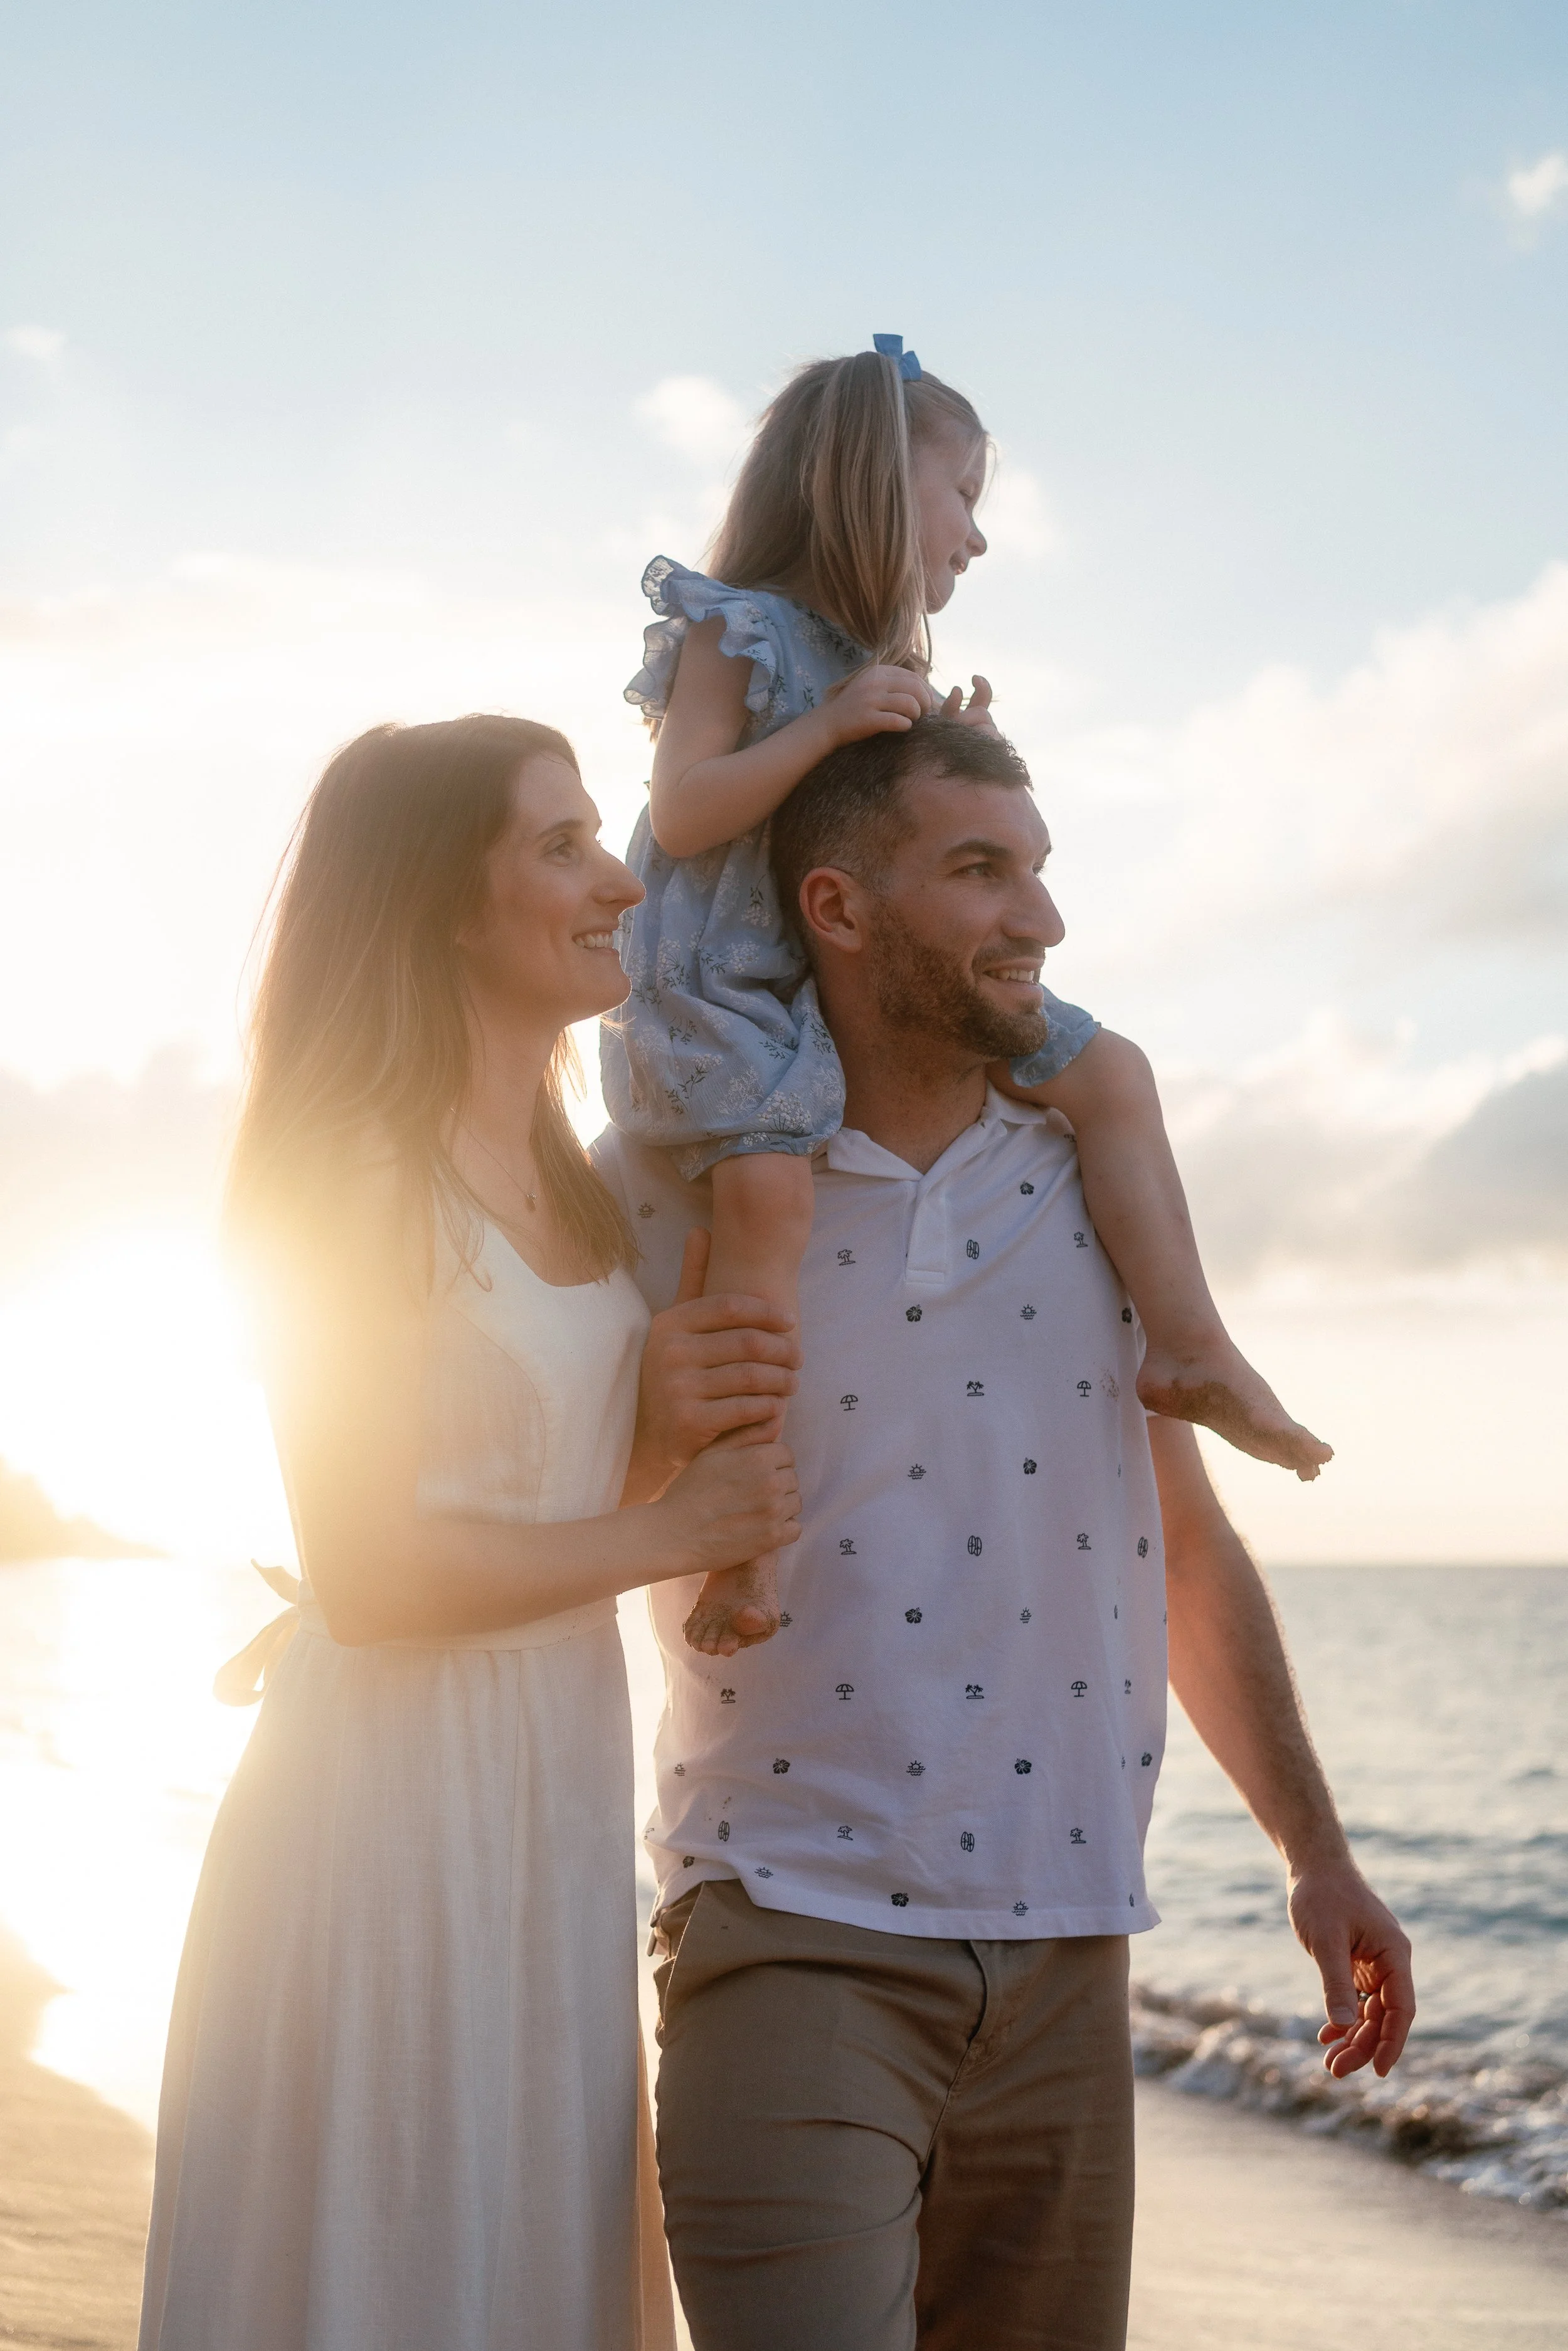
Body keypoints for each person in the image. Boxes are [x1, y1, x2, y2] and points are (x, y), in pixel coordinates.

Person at [595, 715, 1415, 2351]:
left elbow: (1178, 1540)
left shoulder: (1096, 1174)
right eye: (979, 869)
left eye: (1037, 870)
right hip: (791, 1924)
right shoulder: (669, 1183)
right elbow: (564, 1501)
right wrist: (643, 1432)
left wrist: (1311, 1849)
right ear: (837, 906)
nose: (1036, 915)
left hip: (1071, 1946)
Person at [137, 716, 802, 2351]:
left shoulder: (572, 1177)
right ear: (438, 903)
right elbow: (369, 1568)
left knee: (518, 2251)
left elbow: (525, 1487)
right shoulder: (349, 1169)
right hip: (385, 1811)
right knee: (394, 2251)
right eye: (559, 845)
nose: (620, 880)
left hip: (545, 1798)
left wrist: (652, 1426)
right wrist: (675, 1523)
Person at [601, 335, 1330, 1662]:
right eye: (965, 496)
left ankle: (1189, 1344)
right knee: (768, 1198)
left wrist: (943, 742)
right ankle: (744, 1527)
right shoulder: (734, 627)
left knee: (1112, 1072)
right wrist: (827, 727)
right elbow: (686, 809)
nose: (977, 537)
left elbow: (895, 826)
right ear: (876, 490)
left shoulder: (873, 657)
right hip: (729, 986)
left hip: (849, 971)